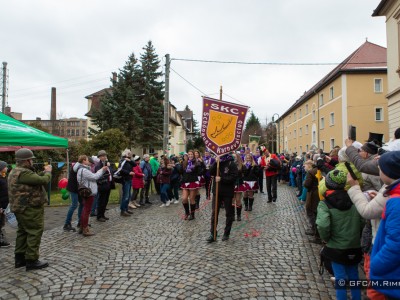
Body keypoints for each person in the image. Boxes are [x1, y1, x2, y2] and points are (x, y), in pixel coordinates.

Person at [316, 169, 364, 300]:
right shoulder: (354, 199)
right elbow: (362, 220)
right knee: (354, 278)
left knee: (340, 279)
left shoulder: (325, 203)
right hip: (354, 245)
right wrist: (355, 234)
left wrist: (326, 239)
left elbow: (323, 224)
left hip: (335, 247)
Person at [8, 148, 52, 270]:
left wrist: (42, 173)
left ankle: (20, 258)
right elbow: (43, 180)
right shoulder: (24, 173)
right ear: (27, 161)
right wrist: (48, 172)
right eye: (31, 160)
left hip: (20, 207)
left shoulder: (16, 171)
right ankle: (32, 260)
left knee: (22, 231)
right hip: (29, 207)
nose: (32, 162)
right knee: (34, 230)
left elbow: (34, 179)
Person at [369, 151, 400, 299]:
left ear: (390, 172)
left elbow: (396, 244)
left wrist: (375, 265)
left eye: (381, 168)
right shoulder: (393, 196)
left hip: (389, 276)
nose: (379, 171)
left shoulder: (395, 201)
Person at [207, 153, 239, 242]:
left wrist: (222, 179)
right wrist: (215, 162)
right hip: (217, 191)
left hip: (227, 192)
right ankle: (213, 233)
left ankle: (226, 233)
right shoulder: (217, 162)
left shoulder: (231, 163)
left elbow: (234, 176)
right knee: (214, 213)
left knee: (229, 213)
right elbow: (210, 172)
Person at [75, 155, 106, 236]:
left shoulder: (81, 169)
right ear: (83, 161)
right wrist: (102, 170)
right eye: (87, 160)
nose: (89, 161)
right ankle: (85, 228)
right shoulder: (84, 170)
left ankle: (82, 227)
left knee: (85, 209)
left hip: (85, 191)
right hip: (88, 192)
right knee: (87, 210)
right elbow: (95, 177)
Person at [180, 150, 201, 220]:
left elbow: (200, 172)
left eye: (191, 154)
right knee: (184, 199)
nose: (190, 156)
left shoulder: (197, 163)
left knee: (192, 199)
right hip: (185, 182)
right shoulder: (184, 163)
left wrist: (199, 165)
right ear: (187, 156)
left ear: (194, 155)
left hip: (193, 182)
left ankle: (192, 214)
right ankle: (187, 212)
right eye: (189, 154)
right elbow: (181, 172)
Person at [63, 162, 83, 232]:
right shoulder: (77, 167)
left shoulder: (81, 166)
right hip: (73, 188)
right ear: (83, 161)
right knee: (74, 205)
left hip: (78, 188)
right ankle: (67, 224)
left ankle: (80, 222)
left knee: (82, 203)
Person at [95, 150, 113, 222]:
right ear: (100, 157)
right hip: (102, 185)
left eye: (105, 156)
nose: (105, 157)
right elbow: (98, 175)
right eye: (103, 156)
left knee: (105, 201)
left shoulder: (106, 164)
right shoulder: (98, 165)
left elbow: (111, 171)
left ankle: (103, 214)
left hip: (108, 185)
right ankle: (99, 216)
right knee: (101, 201)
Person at [118, 149, 136, 216]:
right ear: (126, 154)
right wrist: (129, 172)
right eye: (130, 153)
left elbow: (134, 165)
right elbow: (120, 170)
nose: (131, 154)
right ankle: (123, 210)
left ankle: (126, 209)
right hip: (125, 179)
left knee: (128, 196)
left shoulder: (129, 161)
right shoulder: (122, 161)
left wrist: (130, 160)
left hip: (129, 179)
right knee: (126, 196)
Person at [0, 160, 10, 248]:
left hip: (4, 205)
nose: (7, 168)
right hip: (1, 205)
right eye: (5, 166)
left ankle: (1, 240)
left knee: (2, 223)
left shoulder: (3, 177)